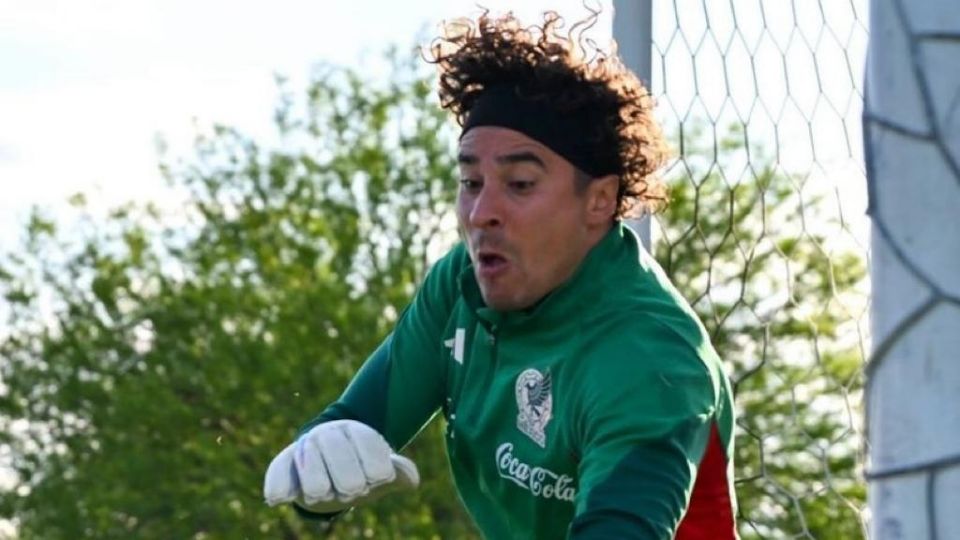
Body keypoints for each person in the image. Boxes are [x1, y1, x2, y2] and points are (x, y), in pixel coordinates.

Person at [264, 9, 737, 539]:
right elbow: (352, 430)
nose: (481, 212)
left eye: (519, 183)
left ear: (600, 200)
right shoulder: (460, 287)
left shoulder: (650, 359)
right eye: (470, 181)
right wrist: (316, 473)